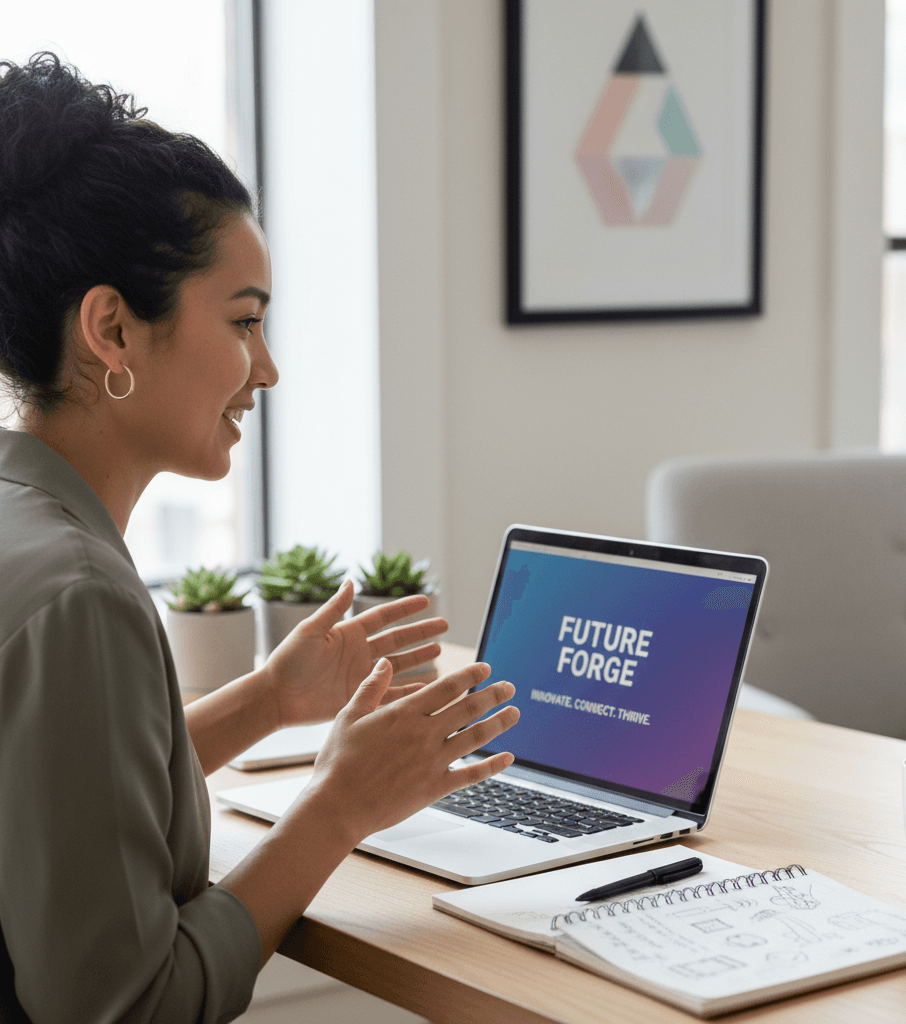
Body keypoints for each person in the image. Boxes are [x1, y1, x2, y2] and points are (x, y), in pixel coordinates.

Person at [0, 53, 519, 1023]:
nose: (268, 369)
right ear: (111, 329)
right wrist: (338, 808)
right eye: (243, 322)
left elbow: (61, 802)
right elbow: (128, 1007)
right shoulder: (78, 594)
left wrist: (271, 700)